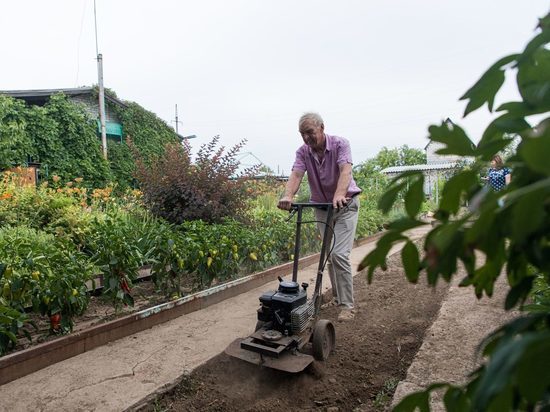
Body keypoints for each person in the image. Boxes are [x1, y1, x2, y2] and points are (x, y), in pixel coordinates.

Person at [277, 112, 362, 322]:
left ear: (322, 128)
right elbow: (297, 174)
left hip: (345, 206)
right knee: (329, 255)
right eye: (302, 134)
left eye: (310, 132)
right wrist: (288, 195)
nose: (306, 138)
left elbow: (345, 170)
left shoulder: (341, 144)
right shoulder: (303, 152)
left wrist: (340, 194)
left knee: (339, 254)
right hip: (322, 208)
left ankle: (347, 305)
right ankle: (336, 296)